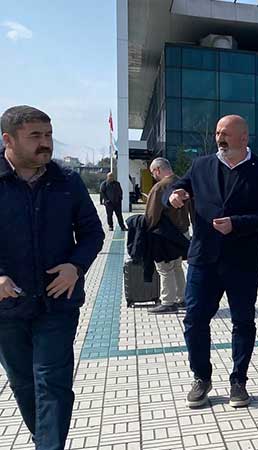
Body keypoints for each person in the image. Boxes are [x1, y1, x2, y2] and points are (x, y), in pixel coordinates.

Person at [0, 105, 105, 449]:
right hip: (7, 307)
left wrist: (76, 266)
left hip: (57, 302)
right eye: (35, 136)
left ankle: (49, 443)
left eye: (48, 135)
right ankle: (44, 436)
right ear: (8, 140)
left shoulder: (67, 181)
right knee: (22, 382)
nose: (45, 143)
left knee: (52, 381)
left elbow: (92, 233)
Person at [168, 115, 258, 409]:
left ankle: (238, 380)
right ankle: (201, 377)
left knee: (242, 321)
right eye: (218, 132)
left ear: (244, 138)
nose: (220, 138)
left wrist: (237, 224)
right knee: (194, 319)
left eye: (226, 133)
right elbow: (179, 186)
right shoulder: (201, 165)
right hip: (203, 259)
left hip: (243, 261)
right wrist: (175, 194)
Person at [146, 157, 191, 314]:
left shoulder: (159, 187)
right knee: (177, 266)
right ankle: (182, 298)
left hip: (165, 235)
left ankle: (167, 302)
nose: (153, 176)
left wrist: (147, 230)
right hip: (183, 232)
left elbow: (151, 215)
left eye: (153, 173)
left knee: (164, 268)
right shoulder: (182, 183)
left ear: (158, 170)